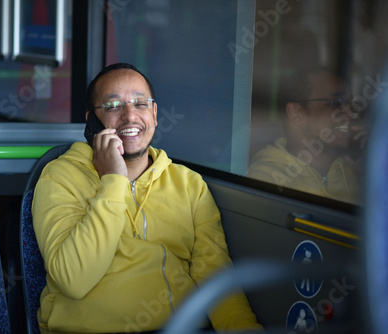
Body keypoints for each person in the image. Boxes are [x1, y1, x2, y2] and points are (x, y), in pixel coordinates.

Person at [32, 63, 263, 333]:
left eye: (140, 104)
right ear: (92, 122)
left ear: (154, 114)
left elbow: (214, 274)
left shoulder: (189, 184)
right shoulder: (60, 177)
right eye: (113, 106)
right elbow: (73, 280)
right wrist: (113, 181)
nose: (130, 115)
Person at [248, 66, 365, 204]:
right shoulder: (267, 180)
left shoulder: (353, 169)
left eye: (351, 104)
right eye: (335, 103)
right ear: (296, 113)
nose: (350, 114)